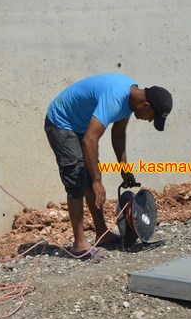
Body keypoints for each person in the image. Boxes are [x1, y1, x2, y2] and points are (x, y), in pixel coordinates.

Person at [44, 73, 173, 259]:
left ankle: (101, 234)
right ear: (145, 105)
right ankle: (80, 244)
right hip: (61, 122)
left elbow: (118, 132)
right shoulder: (115, 98)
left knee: (91, 174)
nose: (150, 120)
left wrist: (124, 167)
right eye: (152, 117)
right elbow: (90, 139)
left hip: (80, 125)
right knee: (78, 179)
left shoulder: (131, 99)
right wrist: (96, 181)